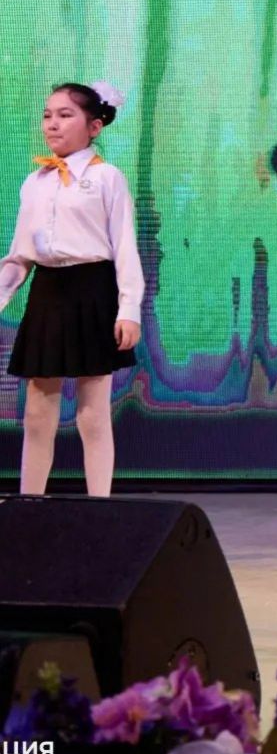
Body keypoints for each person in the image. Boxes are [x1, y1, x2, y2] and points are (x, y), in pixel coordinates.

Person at [1, 81, 143, 497]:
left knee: (92, 413)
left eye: (65, 115)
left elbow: (125, 247)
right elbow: (19, 256)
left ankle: (99, 506)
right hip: (48, 293)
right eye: (48, 115)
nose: (53, 124)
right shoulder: (35, 181)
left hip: (92, 291)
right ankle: (30, 502)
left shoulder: (106, 178)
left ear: (94, 126)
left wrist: (128, 309)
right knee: (37, 412)